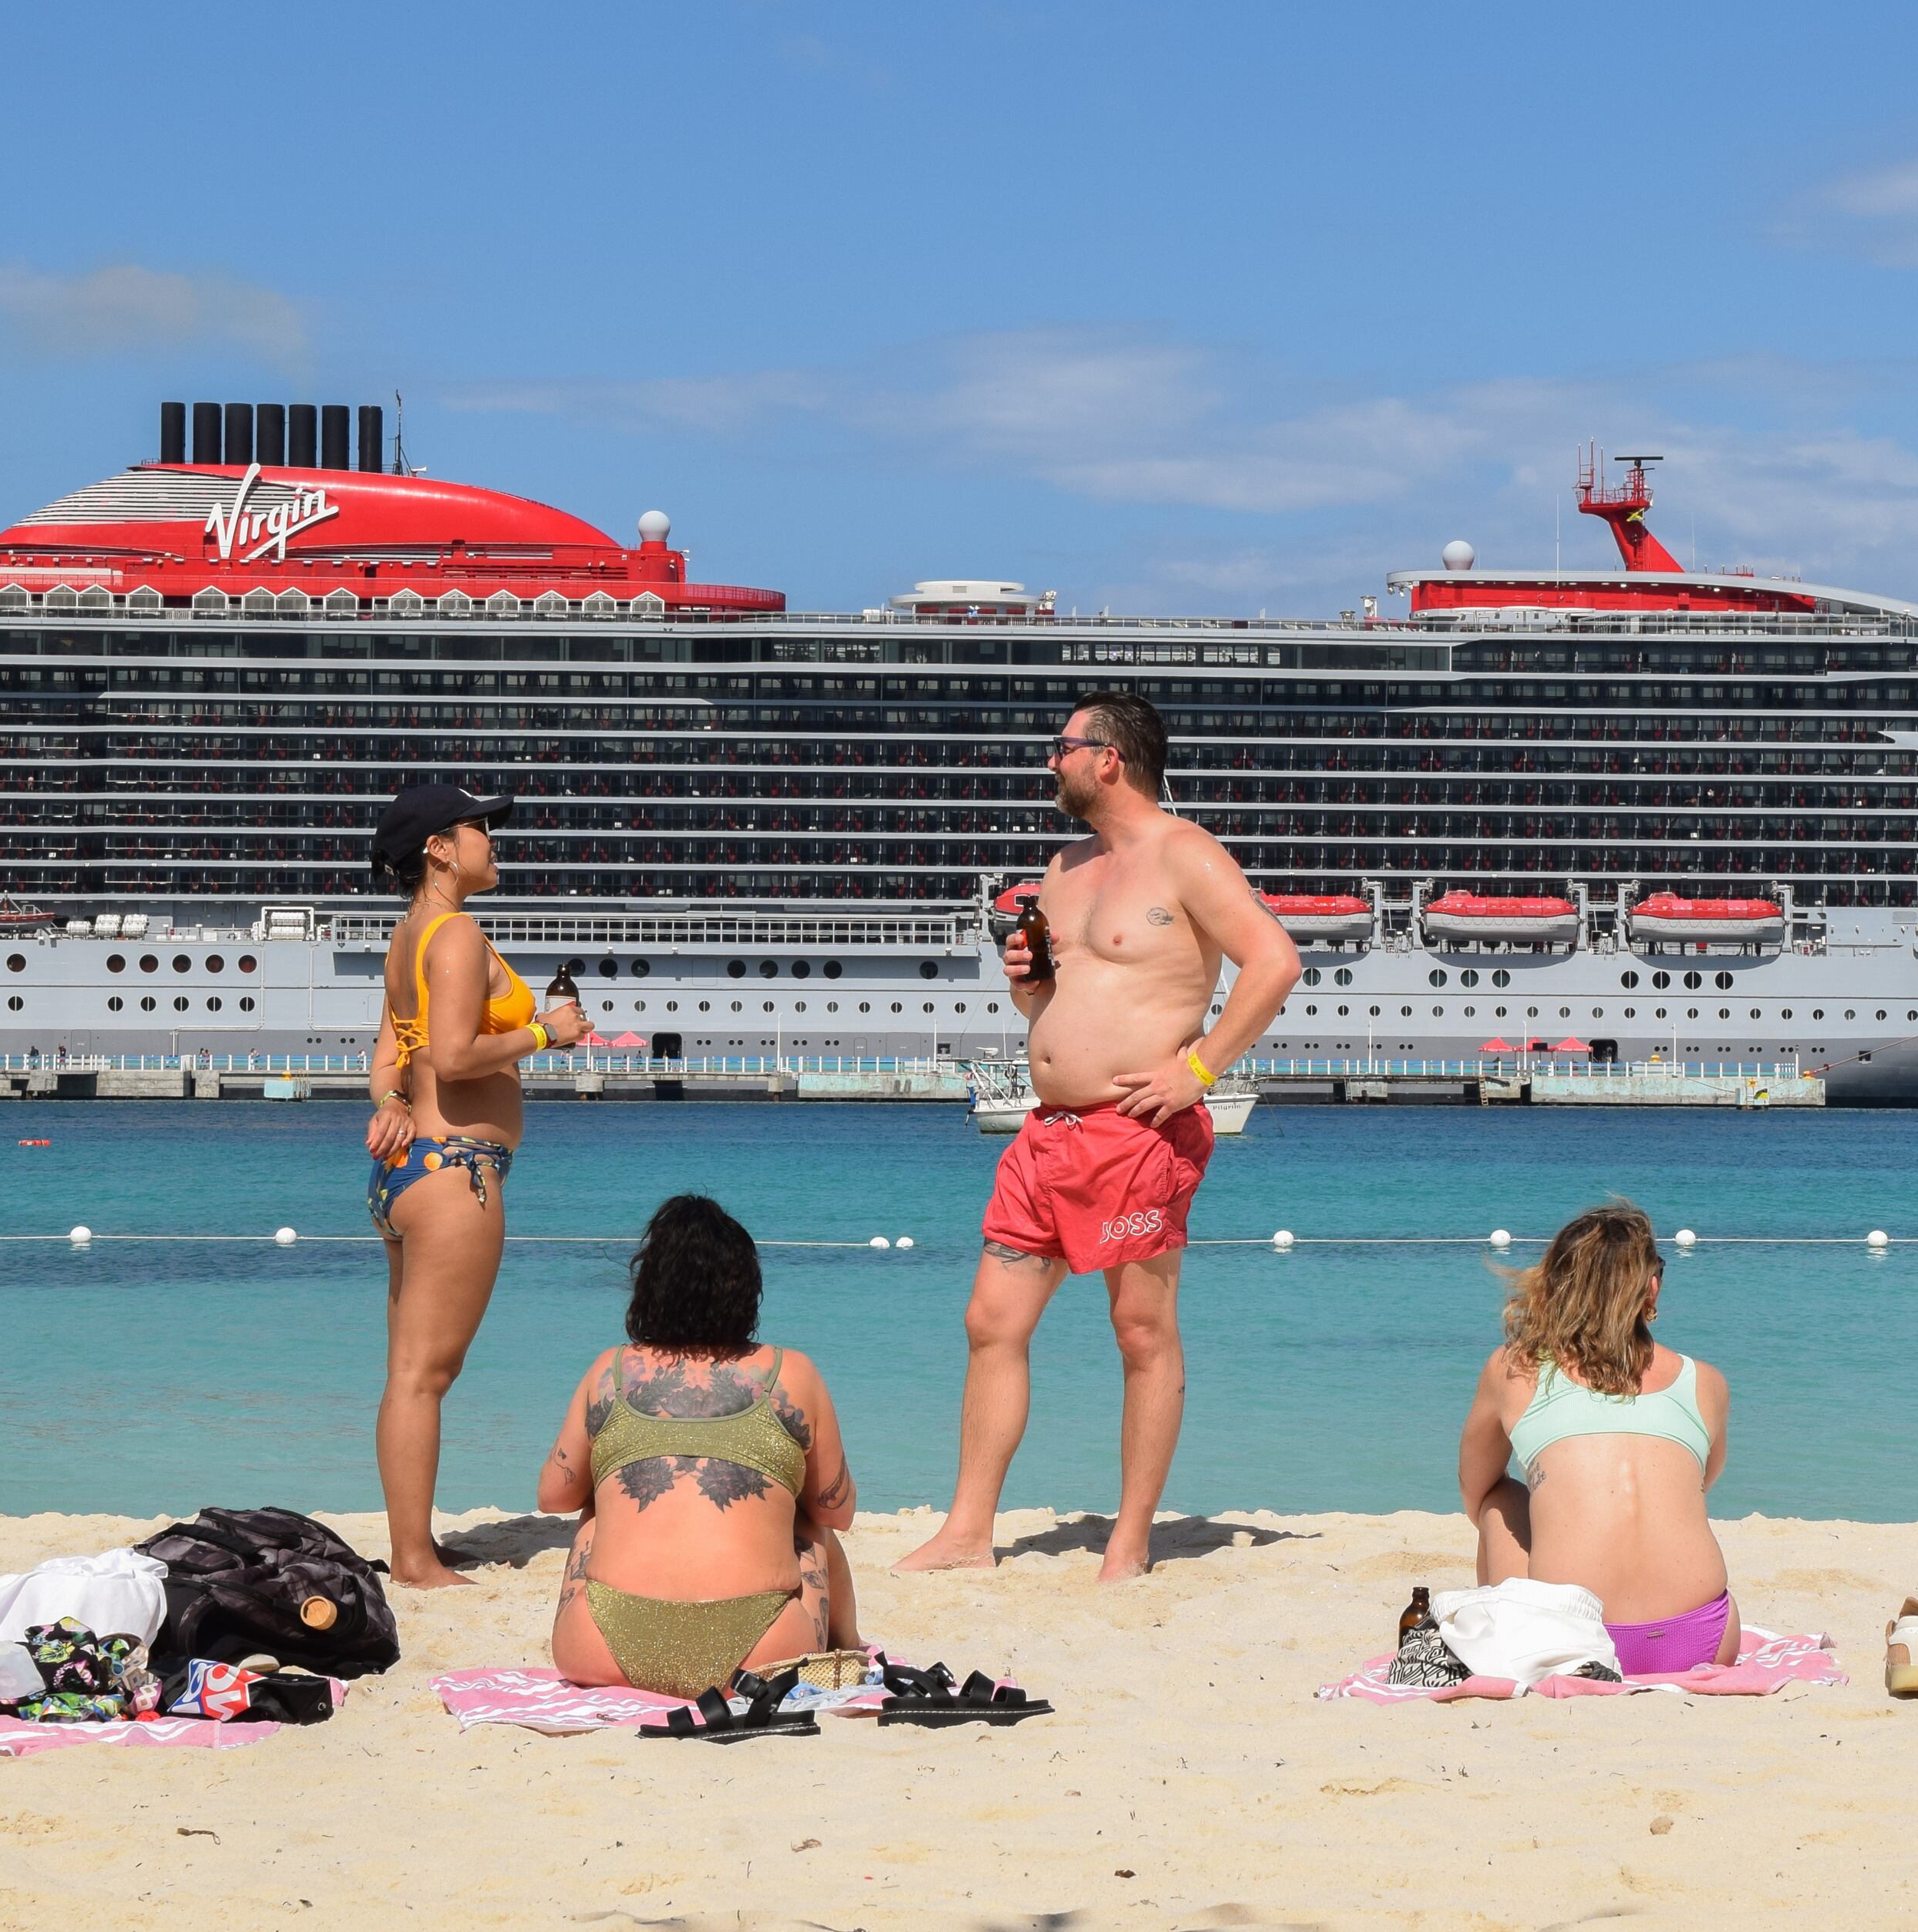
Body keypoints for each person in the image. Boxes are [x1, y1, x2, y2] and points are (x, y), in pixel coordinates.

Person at [895, 688, 1300, 1582]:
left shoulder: (1184, 853)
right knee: (989, 1322)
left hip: (1135, 1133)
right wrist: (1026, 984)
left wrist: (1198, 1072)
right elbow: (1050, 1003)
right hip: (1046, 1132)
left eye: (1062, 746)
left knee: (1140, 1331)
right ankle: (966, 1531)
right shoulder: (1062, 866)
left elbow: (1275, 962)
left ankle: (1128, 1542)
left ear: (1108, 758)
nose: (1051, 761)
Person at [364, 779, 591, 1590]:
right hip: (456, 1172)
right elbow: (456, 1057)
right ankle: (414, 1560)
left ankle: (413, 1544)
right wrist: (545, 1032)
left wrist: (393, 1103)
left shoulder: (407, 937)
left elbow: (388, 1062)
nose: (492, 840)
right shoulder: (457, 933)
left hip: (407, 1172)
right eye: (479, 828)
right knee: (424, 1376)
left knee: (410, 1372)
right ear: (439, 849)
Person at [536, 1194, 863, 1695]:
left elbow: (554, 1496)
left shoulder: (611, 1370)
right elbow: (835, 1511)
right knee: (809, 1524)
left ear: (649, 1287)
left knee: (595, 1514)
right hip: (762, 1658)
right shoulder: (793, 1371)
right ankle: (851, 1644)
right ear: (746, 1288)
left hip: (598, 1649)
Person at [1454, 1197, 1740, 1673]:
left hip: (1570, 1642)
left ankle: (1508, 1641)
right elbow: (1699, 1483)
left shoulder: (1514, 1368)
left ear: (1553, 1284)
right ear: (1651, 1288)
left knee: (1500, 1497)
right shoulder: (1705, 1382)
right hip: (1702, 1638)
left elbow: (1474, 1487)